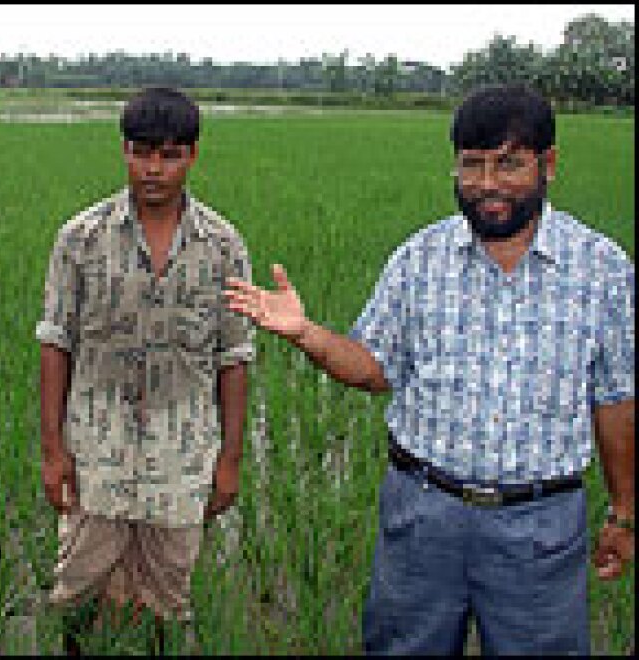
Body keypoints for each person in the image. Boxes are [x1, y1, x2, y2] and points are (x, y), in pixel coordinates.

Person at [224, 83, 634, 655]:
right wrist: (307, 333)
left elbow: (615, 399)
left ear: (549, 164)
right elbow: (373, 368)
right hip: (422, 517)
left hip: (540, 528)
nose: (487, 184)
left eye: (509, 164)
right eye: (472, 165)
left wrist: (624, 511)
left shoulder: (604, 269)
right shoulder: (421, 258)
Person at [36, 86, 254, 654]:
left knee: (167, 593)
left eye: (171, 154)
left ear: (193, 156)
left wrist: (228, 460)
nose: (154, 169)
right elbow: (56, 343)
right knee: (79, 588)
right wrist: (53, 450)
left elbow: (234, 356)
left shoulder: (224, 245)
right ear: (124, 151)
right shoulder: (79, 239)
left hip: (182, 458)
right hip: (95, 452)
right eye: (142, 152)